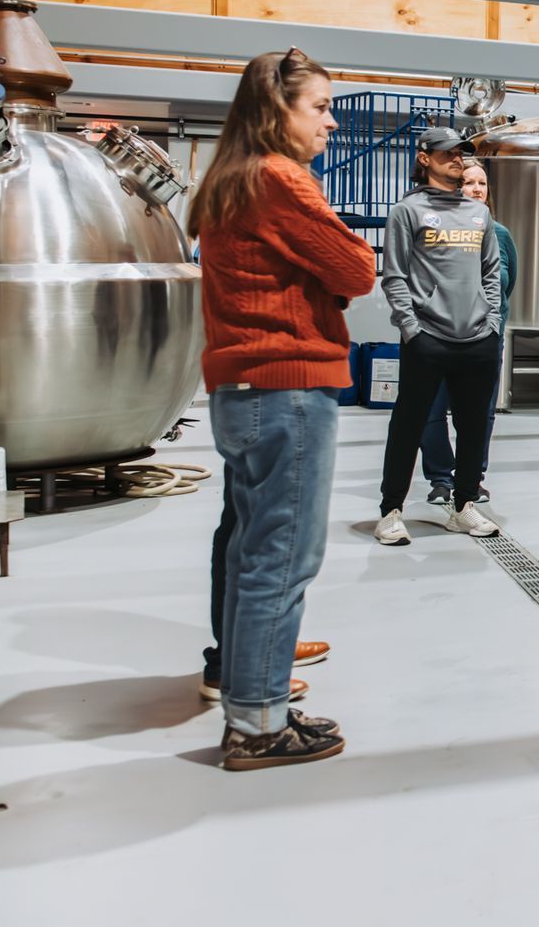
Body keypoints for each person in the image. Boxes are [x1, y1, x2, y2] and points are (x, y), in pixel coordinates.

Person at [190, 48, 377, 770]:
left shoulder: (229, 180)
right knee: (282, 555)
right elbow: (357, 269)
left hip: (241, 392)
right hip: (287, 386)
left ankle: (253, 700)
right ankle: (259, 726)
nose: (330, 121)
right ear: (278, 110)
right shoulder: (278, 178)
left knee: (249, 552)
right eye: (320, 106)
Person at [374, 127, 505, 546]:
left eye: (461, 153)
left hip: (477, 338)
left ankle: (464, 506)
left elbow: (490, 273)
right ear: (425, 157)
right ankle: (390, 511)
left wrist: (492, 323)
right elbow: (394, 277)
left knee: (472, 428)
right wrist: (412, 329)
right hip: (427, 337)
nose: (457, 159)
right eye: (448, 153)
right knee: (408, 426)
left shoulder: (477, 214)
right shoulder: (407, 211)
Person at [417, 160, 518, 507]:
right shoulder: (436, 229)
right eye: (468, 183)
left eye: (482, 184)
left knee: (479, 414)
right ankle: (441, 478)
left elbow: (507, 283)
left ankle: (471, 478)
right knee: (431, 411)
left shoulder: (500, 234)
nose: (476, 189)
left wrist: (492, 327)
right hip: (439, 335)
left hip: (484, 340)